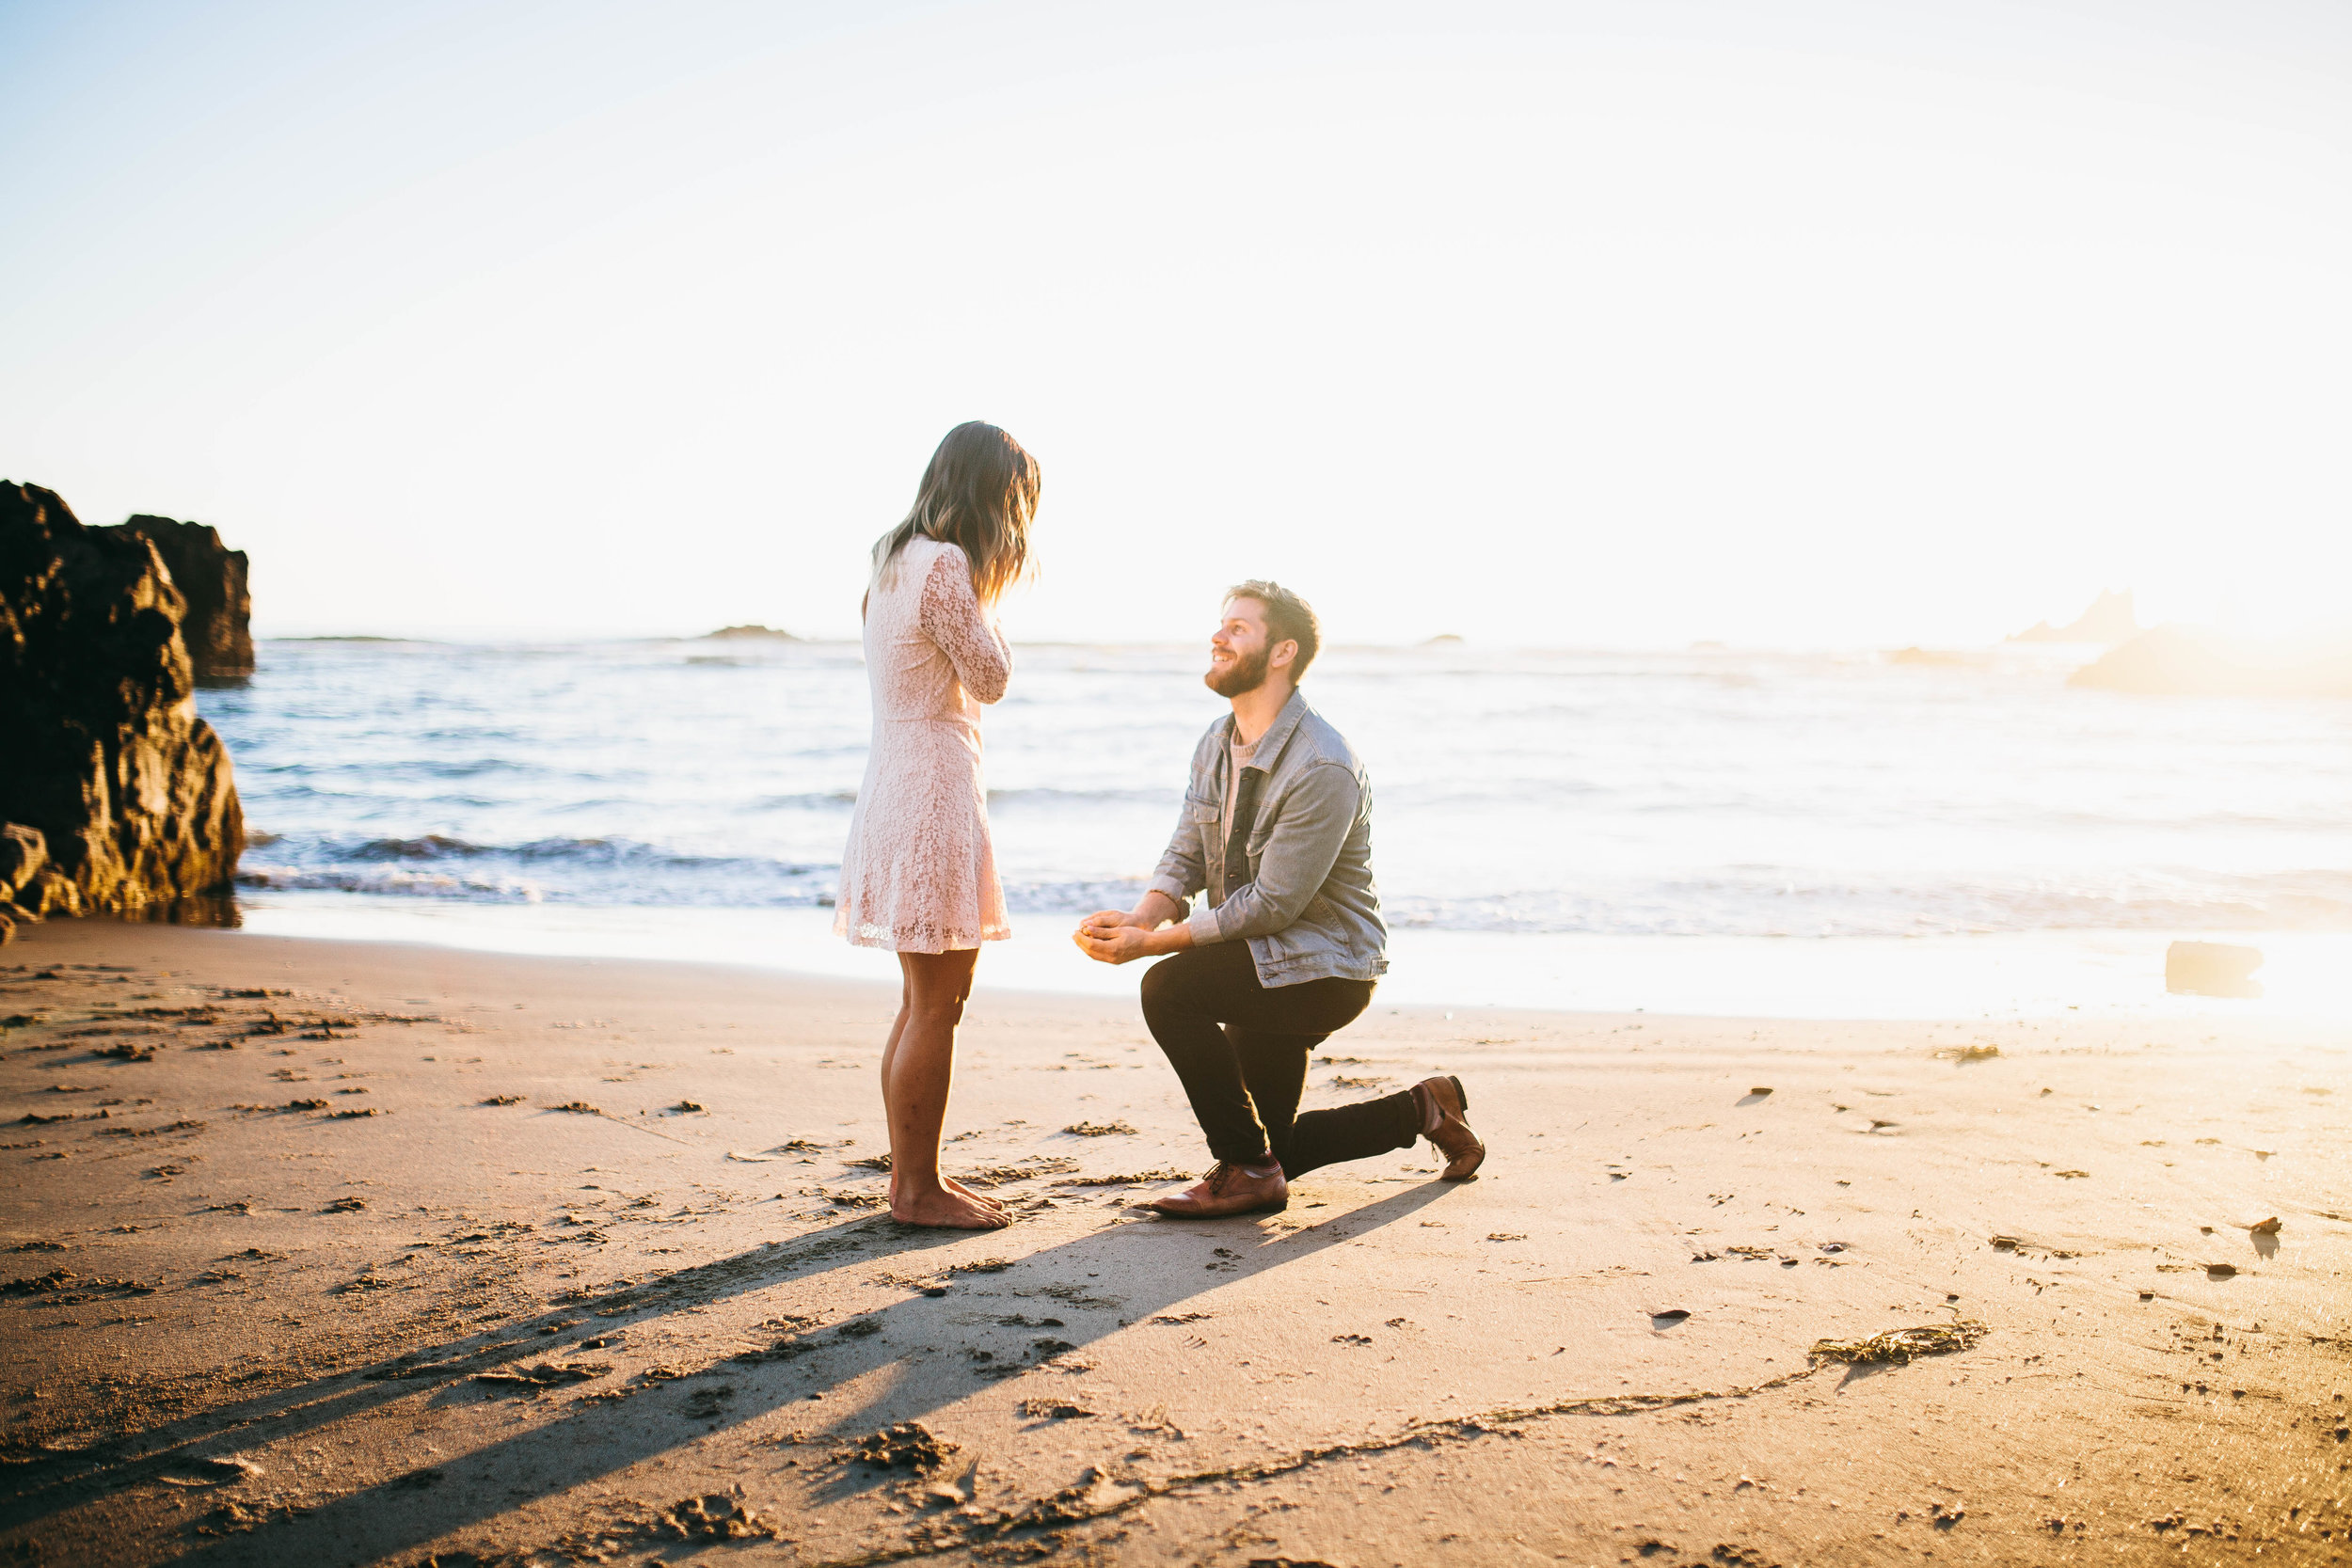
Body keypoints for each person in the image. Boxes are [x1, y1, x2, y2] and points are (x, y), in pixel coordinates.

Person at [1073, 581, 1484, 1217]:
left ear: (1283, 651)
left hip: (1324, 966)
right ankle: (1425, 1106)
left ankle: (1246, 1169)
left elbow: (1272, 905)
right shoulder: (1216, 739)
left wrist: (1151, 946)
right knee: (1279, 1144)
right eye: (1221, 625)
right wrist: (1142, 915)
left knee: (1167, 988)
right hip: (1257, 956)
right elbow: (1186, 848)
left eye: (1238, 628)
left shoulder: (1324, 764)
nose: (1218, 636)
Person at [835, 421, 1039, 1230]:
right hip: (931, 792)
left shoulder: (892, 562)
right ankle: (918, 1188)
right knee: (937, 1002)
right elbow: (988, 676)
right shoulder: (948, 565)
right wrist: (988, 602)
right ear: (993, 497)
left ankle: (908, 1179)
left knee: (922, 997)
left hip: (896, 779)